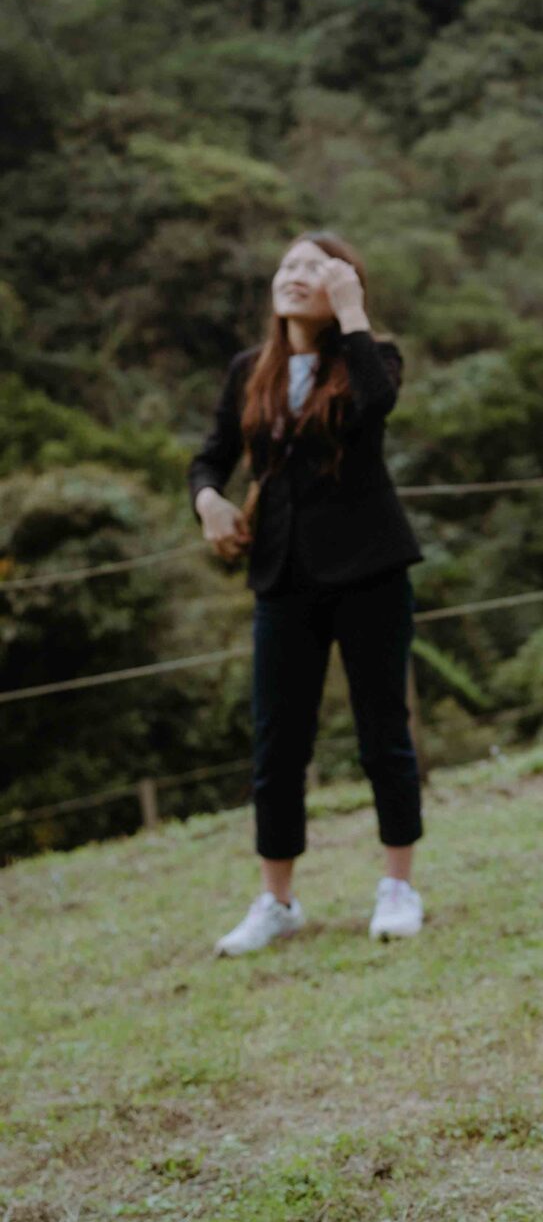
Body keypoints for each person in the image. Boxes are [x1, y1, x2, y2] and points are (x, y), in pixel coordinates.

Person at [190, 232, 426, 954]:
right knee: (277, 745)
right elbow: (211, 456)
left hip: (369, 570)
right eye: (288, 264)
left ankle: (397, 887)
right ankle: (277, 901)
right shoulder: (248, 370)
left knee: (382, 733)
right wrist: (208, 501)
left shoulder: (371, 356)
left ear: (345, 287)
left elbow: (376, 406)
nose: (296, 275)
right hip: (282, 577)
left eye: (317, 269)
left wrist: (353, 315)